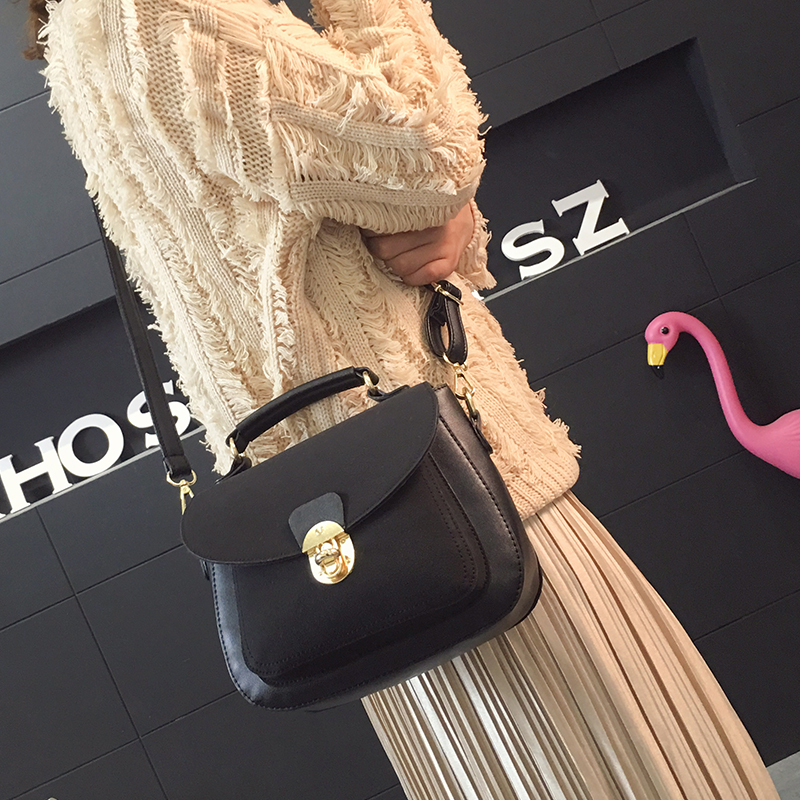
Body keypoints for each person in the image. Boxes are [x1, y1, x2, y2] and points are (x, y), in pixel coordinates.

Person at [29, 0, 780, 797]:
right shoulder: (166, 10)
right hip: (460, 503)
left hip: (368, 555)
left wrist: (442, 213)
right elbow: (431, 155)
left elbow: (368, 205)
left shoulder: (87, 28)